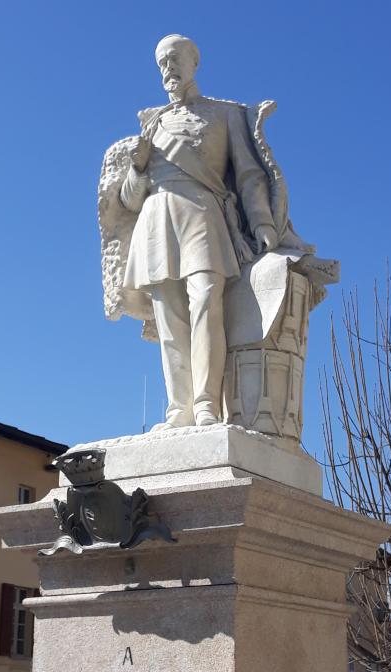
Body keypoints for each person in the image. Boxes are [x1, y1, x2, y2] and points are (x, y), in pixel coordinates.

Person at [119, 34, 278, 429]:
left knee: (206, 302)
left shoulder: (226, 114)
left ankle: (207, 403)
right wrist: (138, 168)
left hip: (203, 215)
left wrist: (262, 221)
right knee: (170, 317)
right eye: (161, 64)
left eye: (173, 59)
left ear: (194, 63)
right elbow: (128, 200)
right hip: (157, 219)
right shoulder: (151, 123)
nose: (167, 69)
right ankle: (180, 409)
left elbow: (249, 174)